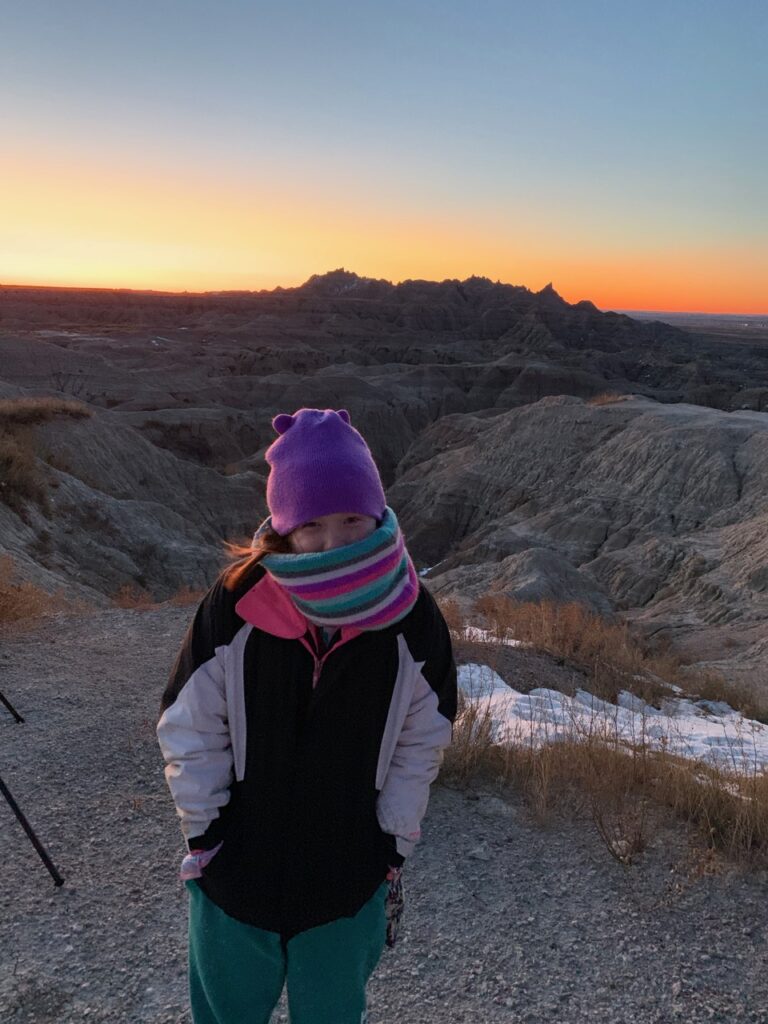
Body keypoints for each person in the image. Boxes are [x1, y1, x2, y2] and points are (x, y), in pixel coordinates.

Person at [157, 407, 457, 1024]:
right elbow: (191, 725)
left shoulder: (412, 615)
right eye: (312, 525)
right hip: (234, 880)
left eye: (352, 519)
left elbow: (421, 740)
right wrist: (206, 837)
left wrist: (390, 846)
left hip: (347, 883)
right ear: (284, 529)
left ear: (377, 514)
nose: (335, 541)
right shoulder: (239, 602)